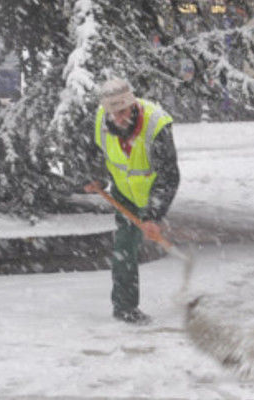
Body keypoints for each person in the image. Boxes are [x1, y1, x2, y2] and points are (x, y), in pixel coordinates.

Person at [83, 78, 180, 325]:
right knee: (125, 247)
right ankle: (125, 307)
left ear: (133, 105)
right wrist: (93, 176)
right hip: (124, 194)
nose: (118, 118)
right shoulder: (100, 120)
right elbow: (91, 150)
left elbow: (169, 176)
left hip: (150, 194)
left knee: (130, 244)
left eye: (123, 111)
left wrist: (152, 216)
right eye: (112, 113)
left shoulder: (156, 126)